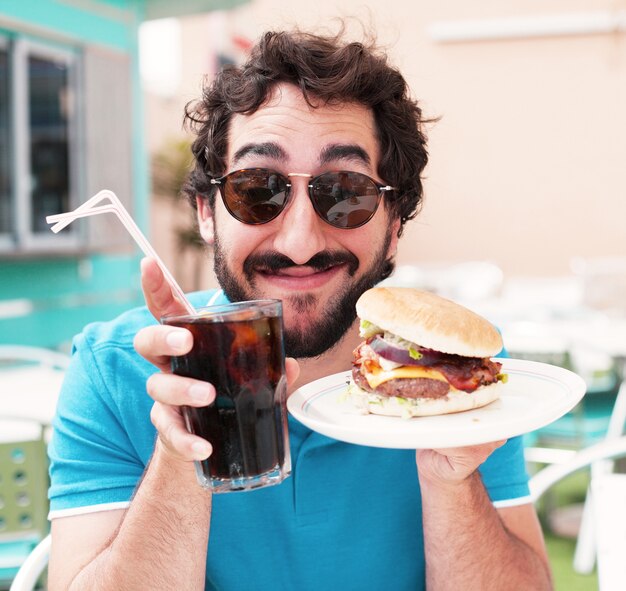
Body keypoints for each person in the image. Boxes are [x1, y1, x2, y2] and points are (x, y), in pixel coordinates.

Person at [47, 28, 553, 591]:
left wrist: (450, 480)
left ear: (394, 228)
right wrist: (182, 447)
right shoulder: (110, 369)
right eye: (257, 188)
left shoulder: (456, 372)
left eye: (346, 190)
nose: (299, 244)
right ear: (208, 213)